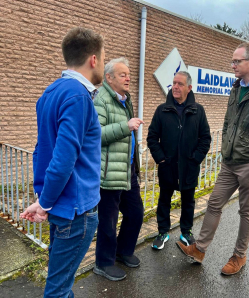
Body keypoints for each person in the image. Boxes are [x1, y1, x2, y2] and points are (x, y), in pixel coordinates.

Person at [177, 42, 249, 275]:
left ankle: (239, 256)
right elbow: (228, 122)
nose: (232, 65)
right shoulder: (236, 88)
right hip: (229, 162)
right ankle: (200, 249)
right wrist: (225, 145)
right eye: (233, 61)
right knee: (214, 203)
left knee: (246, 211)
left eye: (237, 61)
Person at [20, 27, 104, 297]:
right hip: (76, 211)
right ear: (93, 59)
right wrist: (44, 203)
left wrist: (43, 199)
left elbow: (41, 149)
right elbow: (63, 159)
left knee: (60, 284)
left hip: (61, 205)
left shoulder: (51, 92)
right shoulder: (78, 96)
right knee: (57, 291)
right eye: (103, 58)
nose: (102, 63)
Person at [93, 57, 144, 281]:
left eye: (128, 74)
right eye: (122, 74)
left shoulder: (124, 99)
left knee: (135, 213)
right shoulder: (101, 100)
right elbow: (96, 135)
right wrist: (126, 126)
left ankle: (123, 251)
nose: (128, 78)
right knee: (108, 220)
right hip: (107, 174)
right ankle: (103, 263)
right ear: (109, 78)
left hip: (126, 169)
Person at [147, 71, 211, 250]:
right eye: (174, 83)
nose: (175, 87)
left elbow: (205, 138)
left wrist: (196, 158)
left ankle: (186, 231)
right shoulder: (162, 110)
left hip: (189, 166)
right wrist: (160, 158)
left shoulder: (198, 111)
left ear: (189, 88)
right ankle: (162, 231)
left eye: (180, 84)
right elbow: (152, 137)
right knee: (164, 200)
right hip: (167, 166)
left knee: (188, 200)